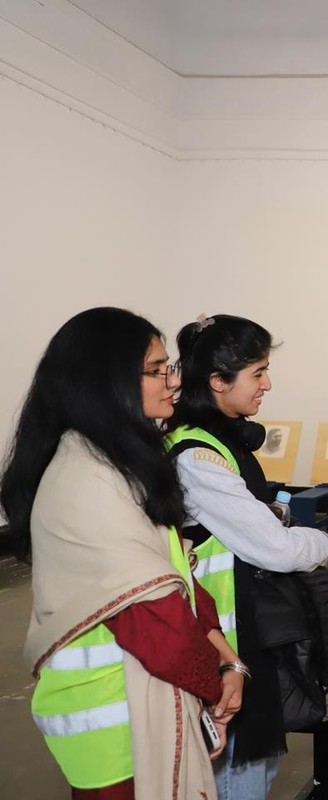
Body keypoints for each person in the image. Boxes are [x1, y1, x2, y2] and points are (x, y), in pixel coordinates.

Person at [2, 307, 245, 799]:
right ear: (105, 383)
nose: (172, 381)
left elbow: (175, 574)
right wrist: (215, 684)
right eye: (156, 370)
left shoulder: (120, 464)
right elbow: (156, 624)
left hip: (140, 703)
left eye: (167, 367)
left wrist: (226, 660)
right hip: (113, 725)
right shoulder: (87, 481)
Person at [165, 314, 328, 800]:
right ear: (218, 381)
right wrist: (323, 542)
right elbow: (277, 550)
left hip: (246, 629)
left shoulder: (221, 440)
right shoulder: (197, 454)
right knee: (237, 776)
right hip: (227, 639)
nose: (267, 384)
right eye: (257, 373)